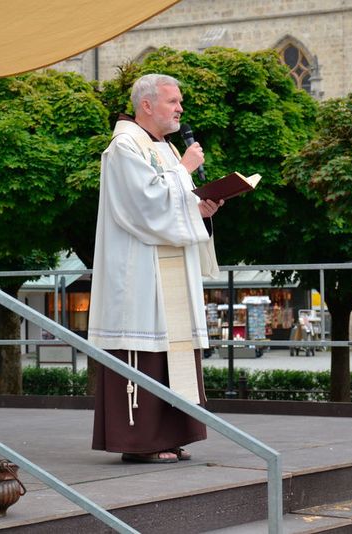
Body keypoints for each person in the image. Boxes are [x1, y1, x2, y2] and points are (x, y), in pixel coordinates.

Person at [88, 73, 223, 464]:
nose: (180, 108)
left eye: (180, 101)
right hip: (139, 277)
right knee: (146, 351)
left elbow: (173, 204)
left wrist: (201, 209)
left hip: (170, 278)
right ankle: (142, 441)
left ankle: (171, 435)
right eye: (172, 101)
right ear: (146, 105)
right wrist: (184, 169)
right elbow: (142, 206)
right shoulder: (124, 147)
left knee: (173, 351)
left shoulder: (161, 148)